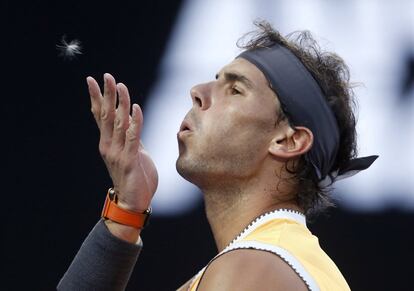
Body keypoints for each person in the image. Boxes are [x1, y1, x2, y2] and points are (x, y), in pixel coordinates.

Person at [58, 21, 377, 291]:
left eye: (235, 90)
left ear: (288, 141)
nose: (197, 91)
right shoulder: (265, 261)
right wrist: (127, 210)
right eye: (215, 80)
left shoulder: (252, 270)